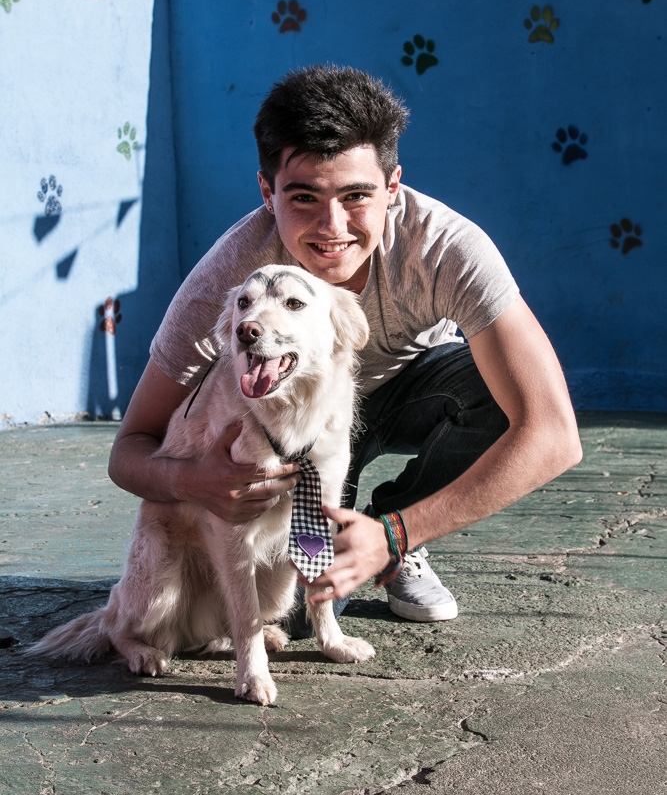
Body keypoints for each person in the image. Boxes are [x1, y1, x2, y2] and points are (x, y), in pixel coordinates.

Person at [108, 65, 582, 625]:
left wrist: (395, 533)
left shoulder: (446, 247)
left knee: (498, 393)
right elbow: (130, 448)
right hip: (294, 428)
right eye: (303, 196)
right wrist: (194, 481)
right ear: (267, 192)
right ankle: (334, 534)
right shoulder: (229, 282)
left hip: (408, 390)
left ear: (393, 186)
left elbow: (554, 433)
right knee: (301, 618)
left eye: (357, 195)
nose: (333, 226)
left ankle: (392, 543)